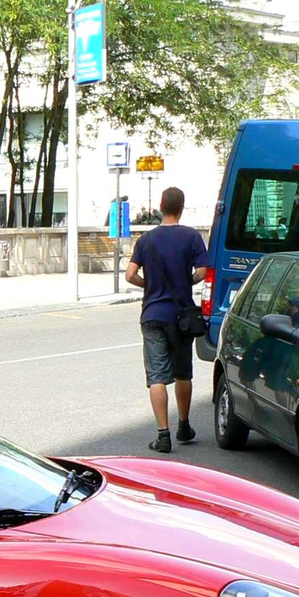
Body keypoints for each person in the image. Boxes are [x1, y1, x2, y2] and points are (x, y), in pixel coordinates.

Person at [125, 185, 209, 453]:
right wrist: (186, 281)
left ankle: (163, 434)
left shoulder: (146, 240)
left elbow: (129, 275)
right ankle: (184, 425)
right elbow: (203, 271)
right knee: (182, 372)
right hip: (181, 316)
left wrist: (147, 285)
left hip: (152, 315)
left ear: (161, 207)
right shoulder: (191, 237)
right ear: (181, 209)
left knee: (157, 377)